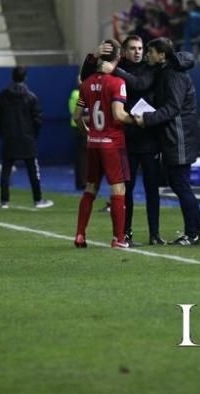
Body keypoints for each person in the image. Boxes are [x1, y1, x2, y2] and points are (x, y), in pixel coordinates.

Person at [134, 38, 200, 245]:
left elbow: (173, 108)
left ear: (162, 55)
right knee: (179, 184)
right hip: (176, 136)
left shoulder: (173, 75)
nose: (147, 55)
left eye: (150, 52)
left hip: (179, 136)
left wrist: (147, 119)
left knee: (180, 184)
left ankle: (192, 233)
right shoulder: (168, 72)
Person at [73, 40, 138, 249]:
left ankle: (80, 235)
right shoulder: (117, 82)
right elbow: (119, 115)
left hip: (93, 143)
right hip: (112, 143)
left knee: (90, 188)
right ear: (118, 58)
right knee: (118, 190)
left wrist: (88, 133)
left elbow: (77, 117)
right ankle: (119, 238)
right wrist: (139, 119)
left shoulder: (86, 83)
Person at [112, 35, 166, 245]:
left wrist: (114, 68)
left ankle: (154, 234)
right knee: (127, 189)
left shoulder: (148, 70)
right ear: (124, 51)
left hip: (149, 138)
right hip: (127, 139)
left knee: (152, 189)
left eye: (140, 48)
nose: (137, 52)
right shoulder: (120, 69)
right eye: (133, 48)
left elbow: (140, 85)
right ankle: (126, 233)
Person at [0, 66, 53, 209]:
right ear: (25, 78)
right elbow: (38, 119)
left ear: (12, 77)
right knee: (32, 170)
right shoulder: (31, 97)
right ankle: (37, 200)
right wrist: (33, 136)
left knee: (6, 170)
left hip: (9, 138)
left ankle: (4, 201)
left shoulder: (2, 96)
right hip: (27, 139)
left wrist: (3, 134)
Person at [69, 75, 87, 191]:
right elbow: (75, 113)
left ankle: (82, 182)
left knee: (82, 157)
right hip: (80, 128)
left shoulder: (77, 93)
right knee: (82, 157)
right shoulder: (77, 94)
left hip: (79, 127)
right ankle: (82, 182)